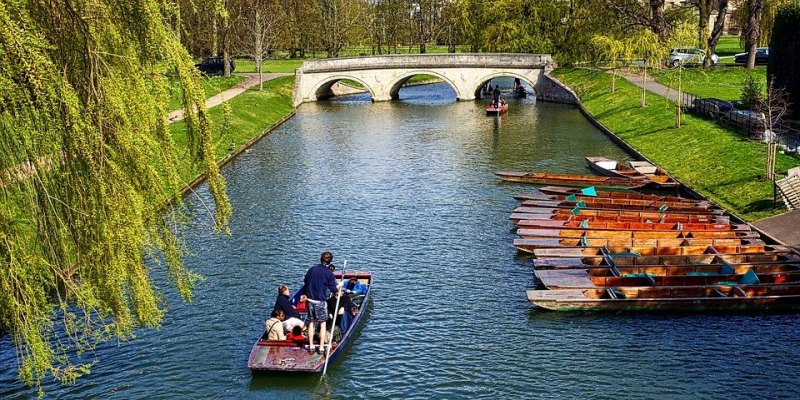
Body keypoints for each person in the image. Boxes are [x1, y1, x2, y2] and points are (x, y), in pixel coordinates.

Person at [304, 251, 342, 354]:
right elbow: (333, 289)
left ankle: (311, 345)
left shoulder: (312, 269)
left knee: (311, 322)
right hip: (320, 301)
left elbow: (306, 281)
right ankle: (321, 347)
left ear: (321, 259)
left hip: (310, 300)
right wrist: (339, 288)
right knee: (322, 323)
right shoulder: (329, 273)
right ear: (330, 261)